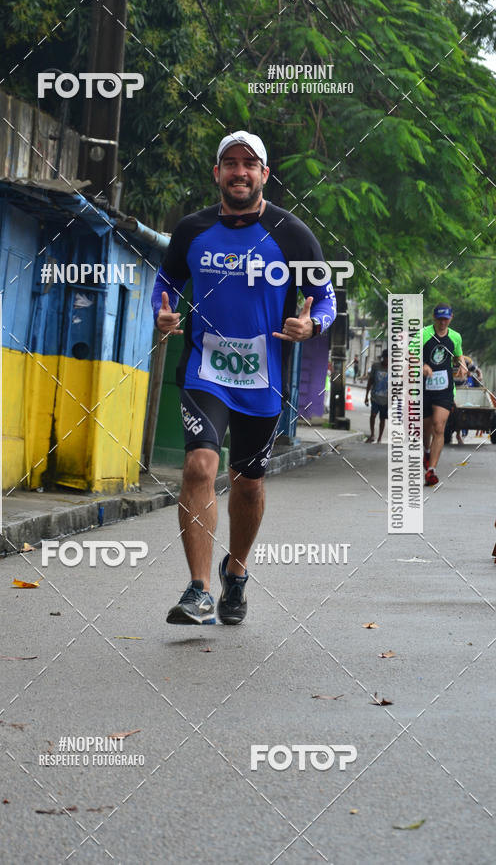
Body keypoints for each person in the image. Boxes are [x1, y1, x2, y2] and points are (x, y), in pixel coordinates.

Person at [151, 130, 337, 625]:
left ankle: (236, 572)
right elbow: (166, 283)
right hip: (204, 373)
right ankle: (198, 589)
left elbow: (326, 299)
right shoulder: (192, 231)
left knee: (248, 485)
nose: (239, 171)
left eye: (249, 164)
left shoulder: (292, 234)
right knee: (199, 469)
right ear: (217, 173)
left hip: (263, 384)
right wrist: (162, 314)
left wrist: (312, 323)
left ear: (264, 174)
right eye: (230, 163)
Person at [423, 304, 467, 485]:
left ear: (451, 318)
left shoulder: (455, 337)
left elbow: (458, 355)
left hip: (444, 389)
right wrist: (422, 365)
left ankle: (431, 470)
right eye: (440, 319)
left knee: (439, 427)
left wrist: (462, 364)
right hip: (424, 389)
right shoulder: (423, 334)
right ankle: (426, 451)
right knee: (425, 430)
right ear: (434, 318)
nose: (442, 322)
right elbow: (410, 355)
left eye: (446, 319)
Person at [364, 350, 388, 442]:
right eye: (385, 358)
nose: (387, 360)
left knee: (382, 418)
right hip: (375, 397)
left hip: (386, 400)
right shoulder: (376, 366)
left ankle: (380, 438)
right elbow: (370, 381)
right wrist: (366, 396)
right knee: (373, 415)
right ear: (383, 357)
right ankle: (372, 434)